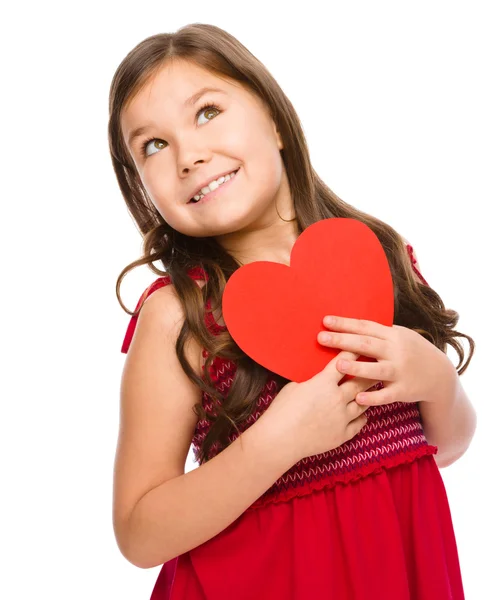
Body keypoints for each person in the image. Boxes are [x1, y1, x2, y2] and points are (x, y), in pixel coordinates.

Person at [109, 23, 477, 600]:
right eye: (153, 145)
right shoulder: (180, 316)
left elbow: (448, 445)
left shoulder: (378, 258)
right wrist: (275, 444)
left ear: (276, 121)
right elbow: (137, 532)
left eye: (206, 112)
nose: (189, 155)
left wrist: (435, 378)